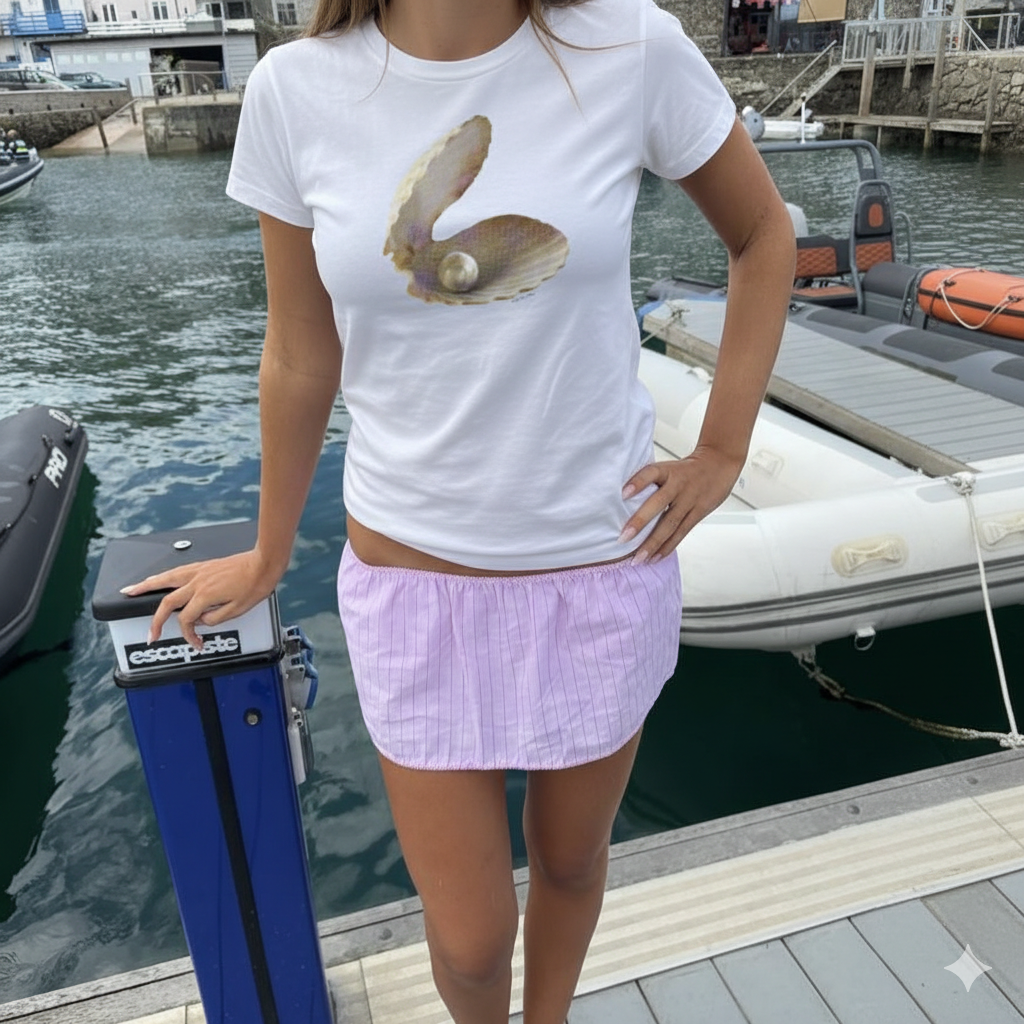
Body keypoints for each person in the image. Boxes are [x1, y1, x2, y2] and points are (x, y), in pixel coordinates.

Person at [122, 1, 796, 1022]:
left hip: (599, 566)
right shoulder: (295, 91)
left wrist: (719, 448)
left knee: (571, 864)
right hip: (412, 585)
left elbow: (762, 231)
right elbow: (301, 353)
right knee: (473, 940)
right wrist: (267, 552)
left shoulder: (631, 46)